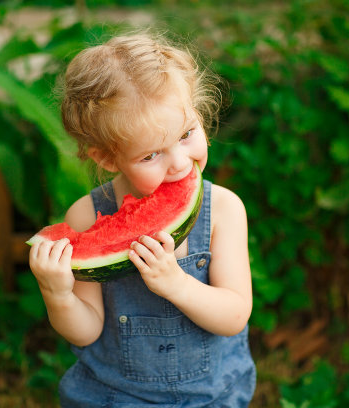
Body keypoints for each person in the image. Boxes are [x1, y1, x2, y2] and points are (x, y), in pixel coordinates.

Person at [29, 31, 256, 407]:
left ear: (200, 117)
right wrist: (58, 294)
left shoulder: (224, 210)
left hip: (209, 397)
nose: (180, 163)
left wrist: (176, 284)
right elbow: (86, 331)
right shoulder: (87, 215)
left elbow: (234, 315)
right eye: (151, 155)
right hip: (114, 398)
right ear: (106, 158)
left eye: (187, 134)